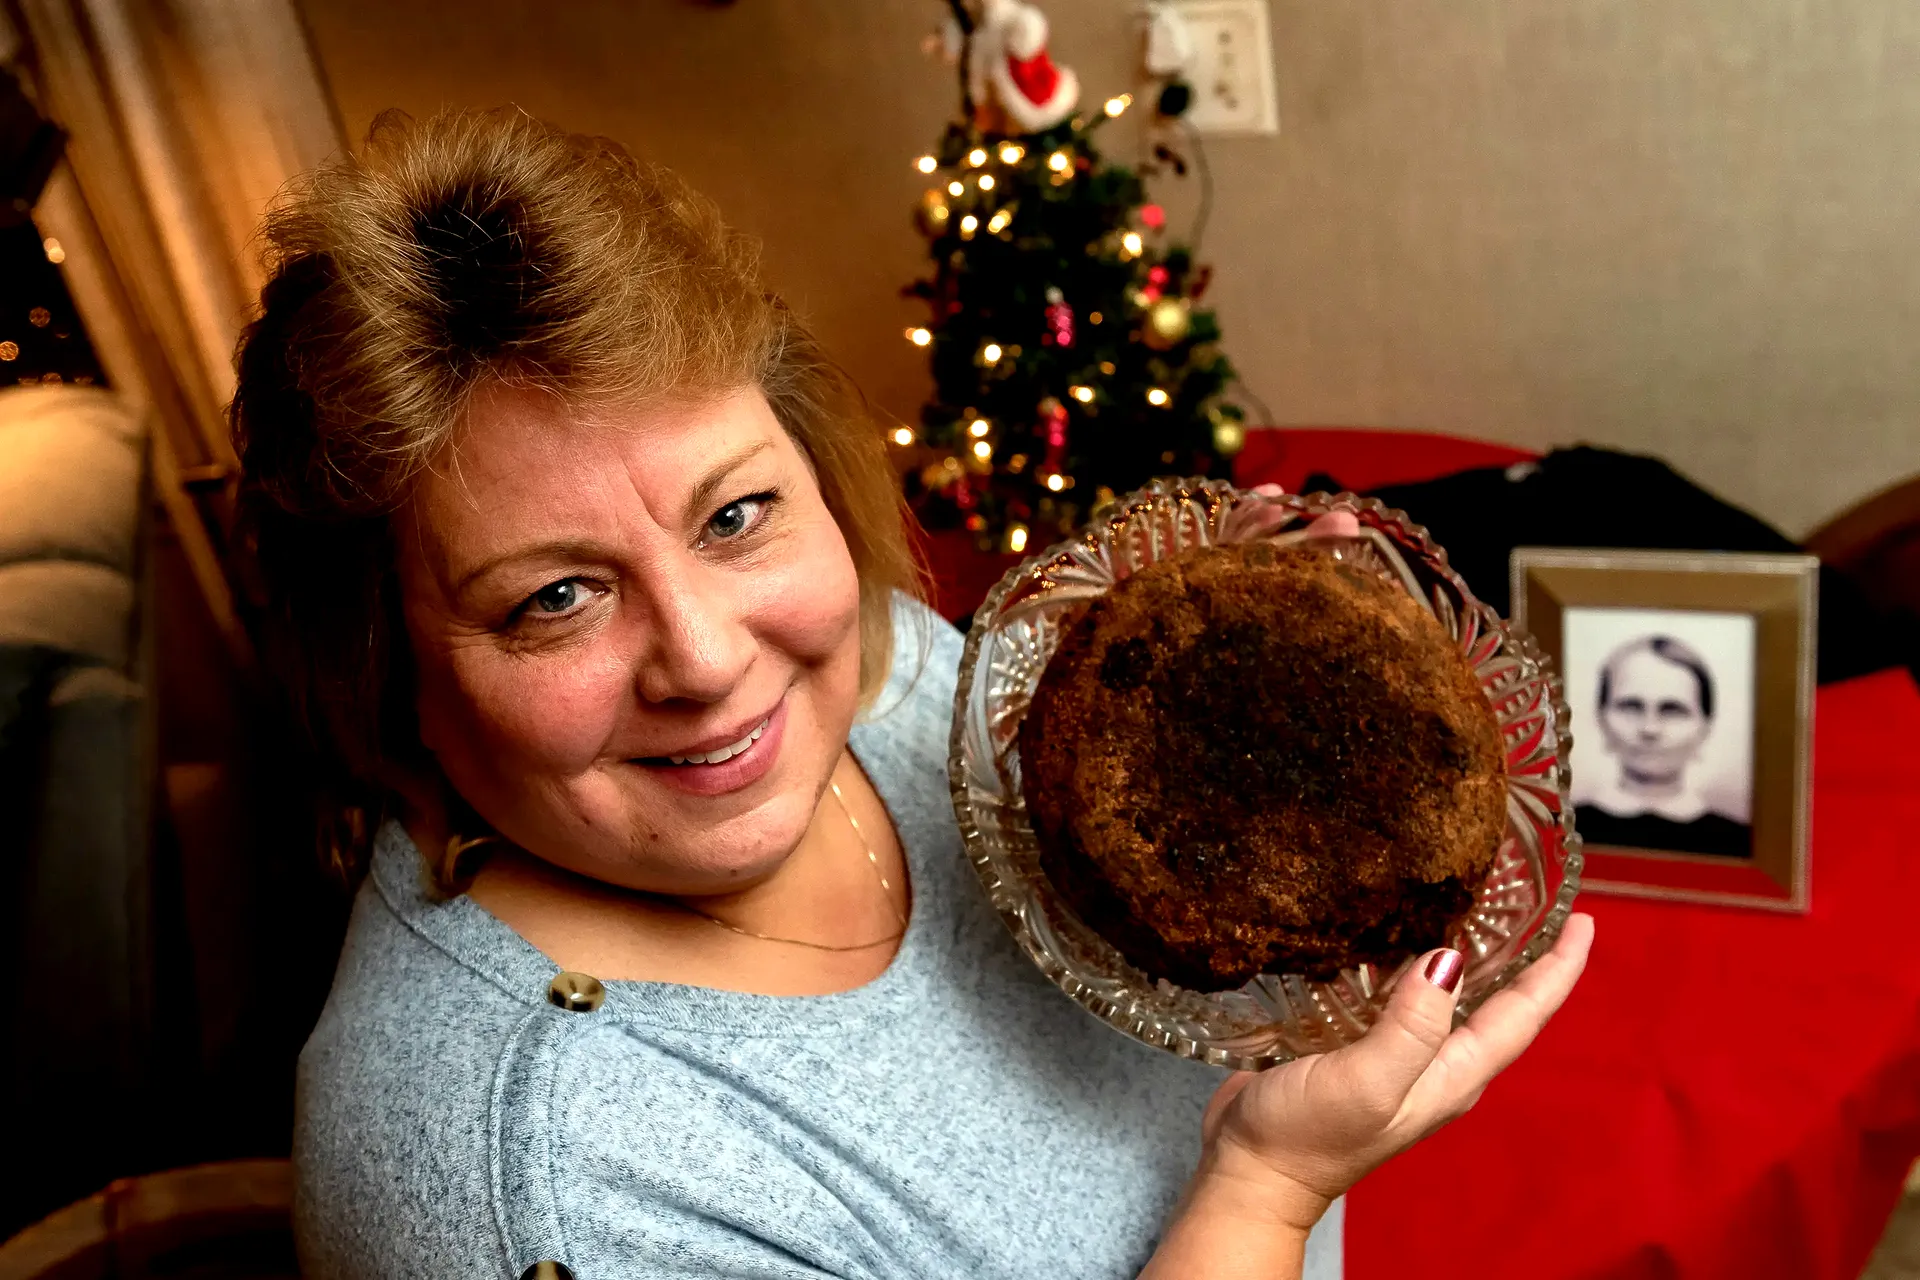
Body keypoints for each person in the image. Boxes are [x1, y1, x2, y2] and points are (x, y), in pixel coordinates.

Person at [236, 108, 1592, 1280]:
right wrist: (1267, 1192)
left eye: (736, 515)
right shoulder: (527, 1189)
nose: (708, 659)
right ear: (386, 669)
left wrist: (1246, 678)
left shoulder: (878, 674)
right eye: (554, 599)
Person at [1575, 634, 1751, 858]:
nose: (1650, 729)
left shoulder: (1739, 842)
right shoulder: (1559, 830)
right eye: (1631, 706)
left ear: (1705, 726)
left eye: (1672, 710)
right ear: (1601, 718)